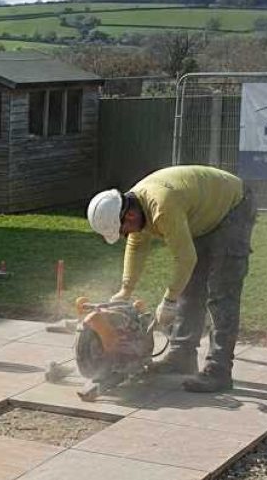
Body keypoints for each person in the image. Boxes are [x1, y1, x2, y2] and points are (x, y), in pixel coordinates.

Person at [86, 165, 257, 393]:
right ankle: (181, 356)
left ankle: (219, 371)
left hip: (233, 205)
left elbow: (185, 259)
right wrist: (125, 290)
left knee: (222, 293)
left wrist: (168, 301)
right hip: (202, 210)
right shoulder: (134, 203)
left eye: (123, 229)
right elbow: (136, 246)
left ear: (129, 214)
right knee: (191, 286)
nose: (126, 234)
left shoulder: (162, 208)